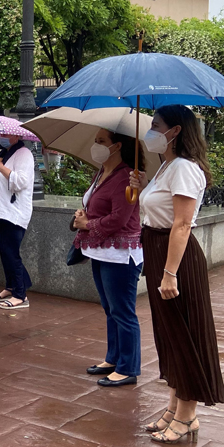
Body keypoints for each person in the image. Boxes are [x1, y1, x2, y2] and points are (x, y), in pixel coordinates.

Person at [132, 104, 224, 445]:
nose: (151, 130)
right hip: (158, 250)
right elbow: (161, 210)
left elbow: (182, 223)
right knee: (170, 332)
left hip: (176, 258)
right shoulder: (167, 166)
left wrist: (170, 273)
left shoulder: (185, 168)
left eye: (157, 125)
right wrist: (143, 185)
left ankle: (188, 414)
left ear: (175, 131)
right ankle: (175, 407)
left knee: (185, 332)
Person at [72, 128, 145, 388]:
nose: (96, 146)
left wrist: (87, 224)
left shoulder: (127, 177)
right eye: (95, 140)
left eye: (101, 141)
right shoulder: (103, 173)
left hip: (120, 254)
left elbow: (120, 218)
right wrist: (84, 214)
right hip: (100, 251)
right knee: (110, 309)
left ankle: (128, 367)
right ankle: (113, 358)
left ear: (117, 146)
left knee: (123, 311)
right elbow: (98, 206)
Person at [0, 135, 36, 309]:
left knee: (11, 253)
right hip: (0, 210)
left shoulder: (24, 153)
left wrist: (0, 167)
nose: (2, 138)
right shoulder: (4, 153)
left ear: (16, 136)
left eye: (6, 135)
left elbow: (21, 181)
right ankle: (11, 286)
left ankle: (20, 294)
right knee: (4, 252)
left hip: (14, 212)